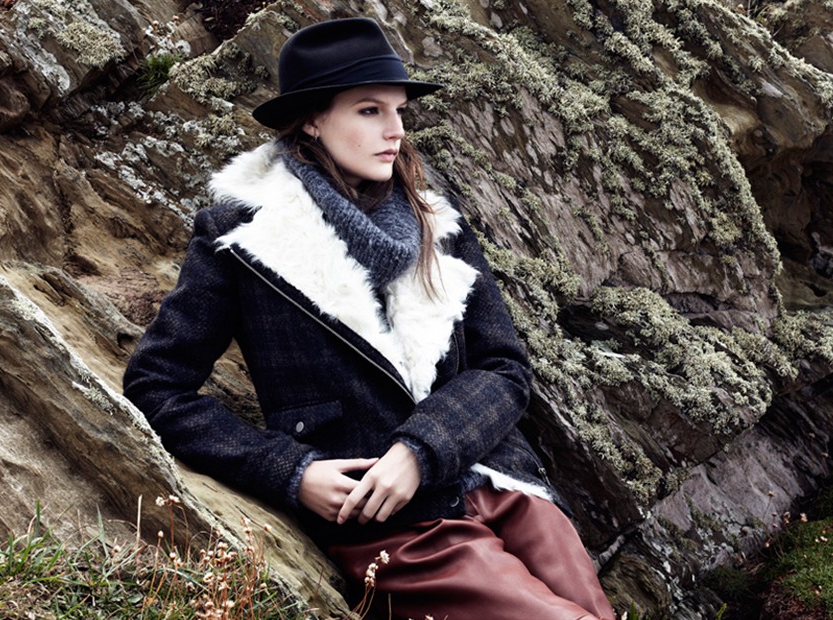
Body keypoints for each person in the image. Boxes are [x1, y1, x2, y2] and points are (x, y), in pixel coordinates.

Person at [123, 16, 615, 620]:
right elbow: (157, 387)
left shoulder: (437, 222)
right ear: (312, 119)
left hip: (499, 482)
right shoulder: (242, 235)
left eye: (399, 110)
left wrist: (422, 449)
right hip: (389, 523)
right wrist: (291, 471)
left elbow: (504, 367)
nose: (396, 130)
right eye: (369, 110)